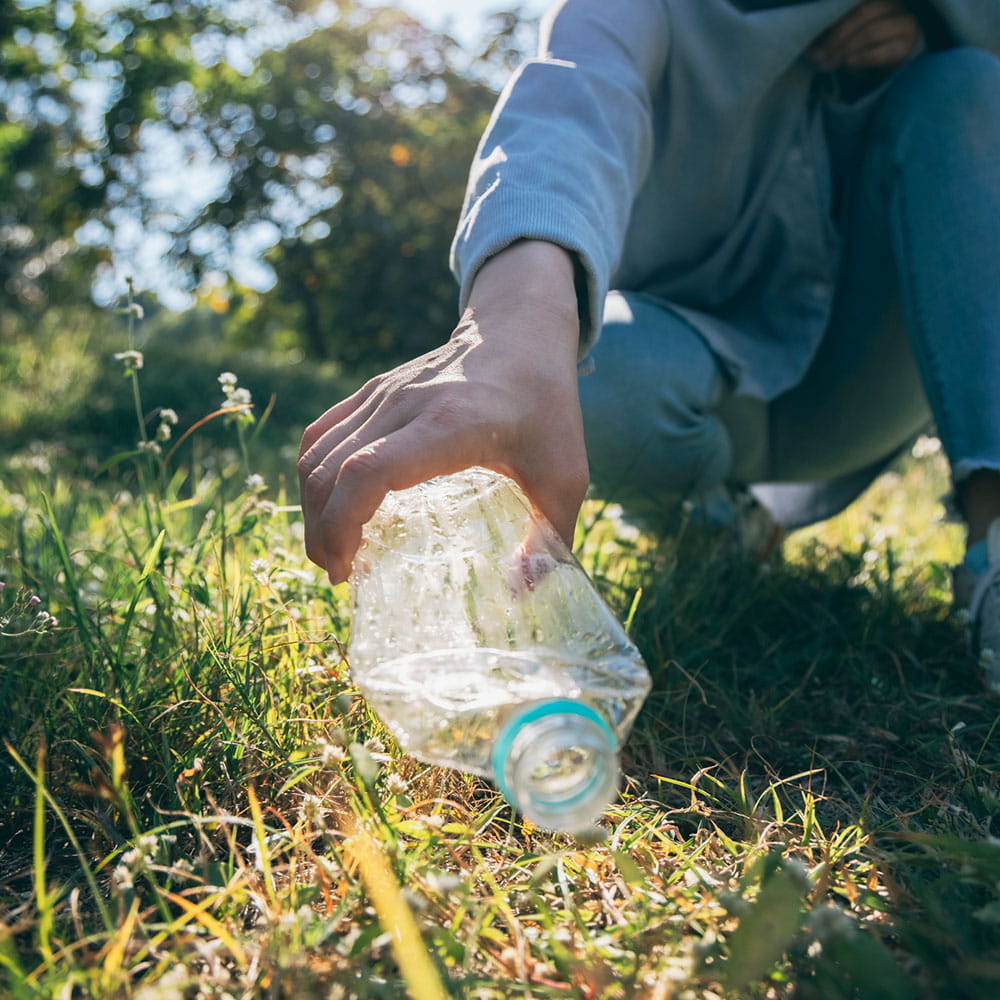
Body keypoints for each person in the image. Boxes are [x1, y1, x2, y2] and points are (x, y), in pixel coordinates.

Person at [298, 0, 1000, 690]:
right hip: (690, 366)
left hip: (866, 378)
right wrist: (505, 335)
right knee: (580, 381)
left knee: (969, 84)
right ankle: (714, 519)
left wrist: (945, 30)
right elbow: (568, 103)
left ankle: (993, 547)